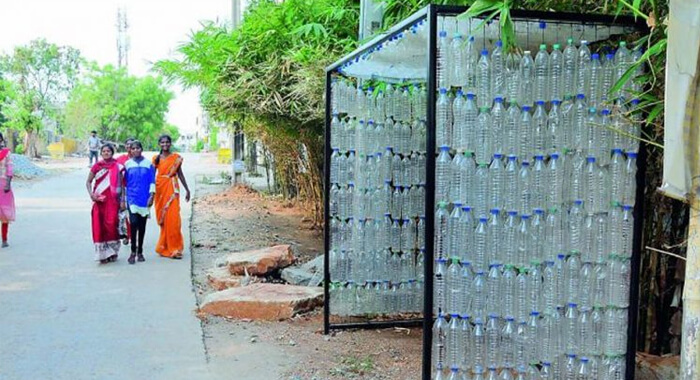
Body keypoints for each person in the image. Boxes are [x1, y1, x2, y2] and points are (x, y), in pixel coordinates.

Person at [152, 135, 190, 259]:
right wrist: (150, 193)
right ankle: (164, 246)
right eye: (162, 142)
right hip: (160, 190)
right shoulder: (156, 159)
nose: (165, 144)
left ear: (170, 143)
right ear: (159, 144)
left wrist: (187, 189)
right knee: (163, 220)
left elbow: (180, 174)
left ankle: (175, 249)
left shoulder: (176, 158)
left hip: (172, 190)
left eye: (167, 142)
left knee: (173, 219)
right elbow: (151, 177)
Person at [86, 144, 125, 264]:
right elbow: (88, 182)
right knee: (99, 226)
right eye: (104, 151)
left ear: (112, 153)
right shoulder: (97, 166)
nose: (106, 153)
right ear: (101, 153)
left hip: (113, 200)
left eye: (108, 151)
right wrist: (91, 194)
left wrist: (123, 200)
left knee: (112, 224)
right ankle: (102, 254)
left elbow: (122, 185)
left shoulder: (118, 166)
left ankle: (112, 251)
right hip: (99, 200)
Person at [123, 140, 155, 264]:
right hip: (132, 198)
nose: (135, 150)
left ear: (142, 149)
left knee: (142, 226)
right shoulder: (127, 164)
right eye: (133, 148)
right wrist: (123, 198)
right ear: (130, 150)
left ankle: (140, 251)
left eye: (138, 148)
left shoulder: (148, 164)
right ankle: (132, 251)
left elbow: (152, 181)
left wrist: (151, 195)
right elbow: (124, 182)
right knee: (133, 223)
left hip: (144, 198)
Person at [116, 138, 135, 245]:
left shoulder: (139, 159)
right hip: (123, 189)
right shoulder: (120, 159)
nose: (129, 147)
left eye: (132, 145)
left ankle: (134, 235)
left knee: (134, 214)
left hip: (136, 190)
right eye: (127, 144)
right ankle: (127, 235)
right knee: (124, 214)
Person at [0, 133, 15, 248]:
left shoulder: (6, 154)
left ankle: (4, 239)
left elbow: (10, 170)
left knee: (4, 214)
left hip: (3, 185)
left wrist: (8, 185)